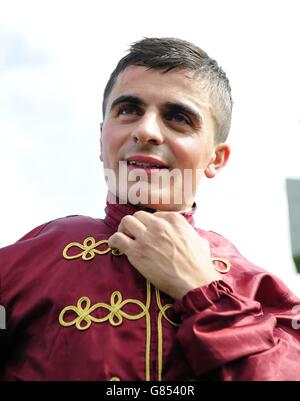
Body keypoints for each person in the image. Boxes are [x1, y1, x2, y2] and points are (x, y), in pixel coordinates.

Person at [0, 37, 300, 381]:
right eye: (128, 110)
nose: (145, 131)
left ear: (216, 158)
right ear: (102, 139)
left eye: (177, 117)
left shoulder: (260, 289)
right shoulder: (24, 261)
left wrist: (204, 292)